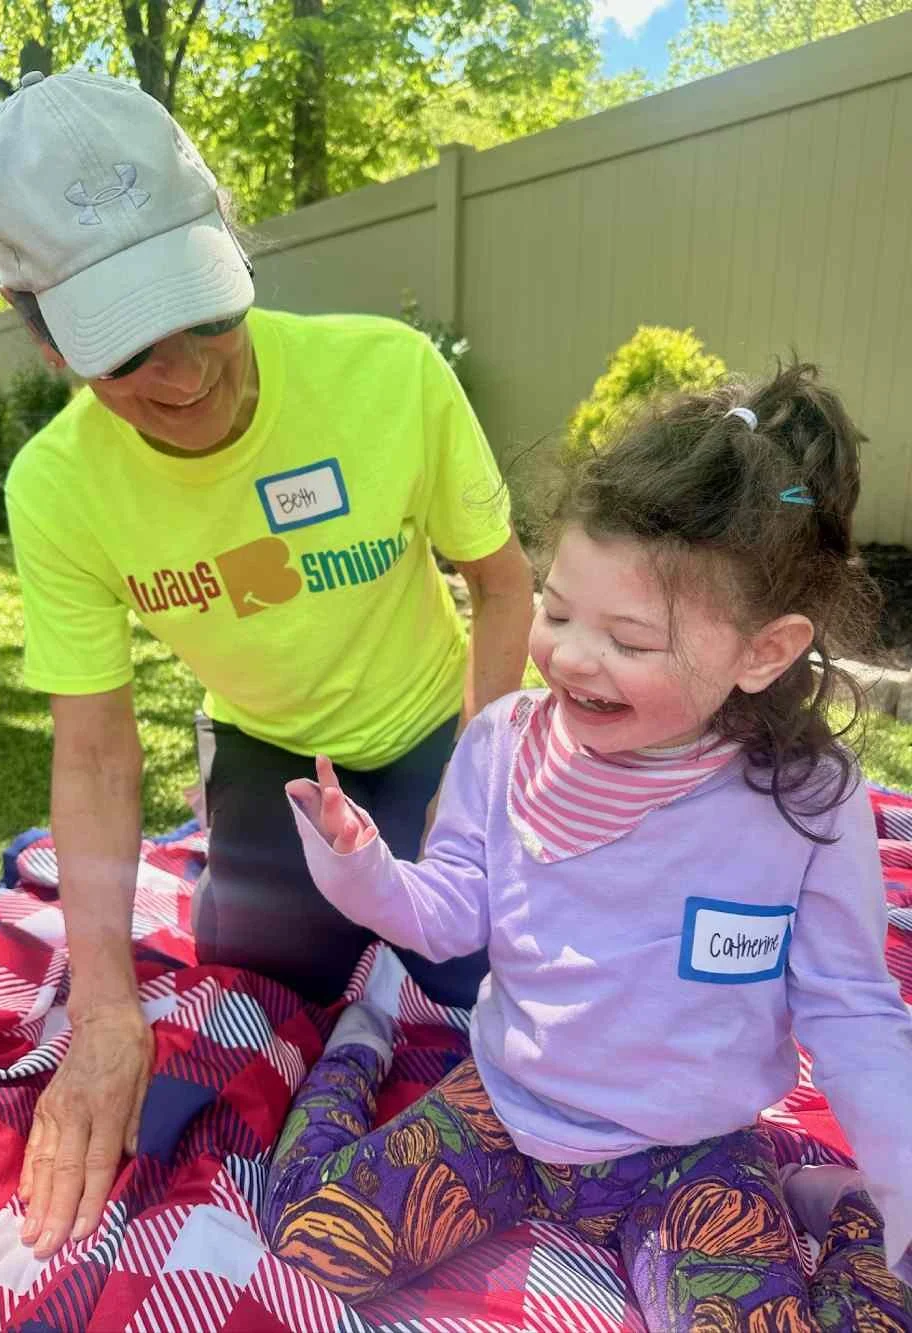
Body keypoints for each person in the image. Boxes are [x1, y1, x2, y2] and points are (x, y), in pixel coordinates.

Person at [0, 68, 534, 1259]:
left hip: (438, 722)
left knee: (499, 985)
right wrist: (108, 1008)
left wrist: (480, 775)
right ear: (37, 327)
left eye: (203, 314)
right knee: (257, 995)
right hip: (275, 751)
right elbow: (93, 745)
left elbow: (501, 585)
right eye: (127, 349)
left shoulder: (390, 374)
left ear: (229, 238)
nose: (187, 379)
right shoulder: (58, 488)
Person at [262, 364, 912, 1329]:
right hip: (507, 1110)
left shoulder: (807, 804)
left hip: (693, 1152)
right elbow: (450, 914)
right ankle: (355, 1053)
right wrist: (361, 866)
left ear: (762, 652)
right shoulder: (502, 743)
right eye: (557, 610)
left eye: (629, 638)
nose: (570, 655)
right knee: (306, 1248)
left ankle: (856, 1219)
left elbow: (852, 1008)